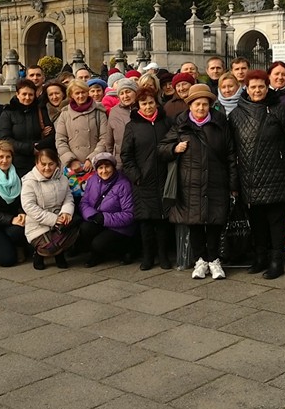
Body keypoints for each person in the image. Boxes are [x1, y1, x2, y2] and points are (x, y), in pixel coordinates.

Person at [159, 84, 238, 280]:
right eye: (197, 104)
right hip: (190, 183)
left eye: (205, 104)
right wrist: (174, 149)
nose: (201, 108)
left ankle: (214, 260)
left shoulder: (220, 123)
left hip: (216, 181)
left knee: (215, 222)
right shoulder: (180, 124)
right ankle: (200, 260)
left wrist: (233, 185)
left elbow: (230, 154)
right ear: (190, 106)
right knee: (194, 223)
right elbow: (162, 148)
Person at [229, 70, 285, 280]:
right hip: (249, 177)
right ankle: (260, 257)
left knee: (276, 222)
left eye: (261, 86)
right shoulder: (236, 114)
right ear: (246, 88)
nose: (257, 90)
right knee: (256, 221)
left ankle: (277, 260)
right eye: (253, 87)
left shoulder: (279, 110)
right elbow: (231, 149)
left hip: (277, 176)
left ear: (267, 87)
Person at [121, 88, 173, 270]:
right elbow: (126, 155)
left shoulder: (166, 122)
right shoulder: (132, 126)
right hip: (143, 180)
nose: (148, 106)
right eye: (144, 103)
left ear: (156, 103)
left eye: (151, 102)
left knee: (163, 220)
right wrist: (136, 176)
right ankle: (148, 257)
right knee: (146, 221)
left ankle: (163, 256)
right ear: (138, 106)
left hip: (164, 178)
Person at [79, 152, 136, 267]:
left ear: (113, 167)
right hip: (99, 219)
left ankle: (127, 249)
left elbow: (129, 214)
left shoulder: (123, 184)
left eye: (107, 167)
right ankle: (96, 254)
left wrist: (104, 218)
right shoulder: (92, 180)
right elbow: (84, 202)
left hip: (120, 227)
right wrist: (93, 215)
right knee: (85, 228)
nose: (104, 171)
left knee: (98, 244)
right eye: (100, 168)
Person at [22, 148, 75, 270]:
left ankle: (59, 253)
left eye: (51, 164)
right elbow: (29, 206)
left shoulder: (63, 178)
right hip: (38, 224)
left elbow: (68, 198)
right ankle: (39, 254)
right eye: (43, 164)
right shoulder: (29, 181)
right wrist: (54, 219)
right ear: (36, 163)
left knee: (76, 228)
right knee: (49, 247)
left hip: (60, 221)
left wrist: (66, 212)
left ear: (57, 163)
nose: (47, 168)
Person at [55, 80, 112, 174]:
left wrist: (92, 158)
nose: (81, 96)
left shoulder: (98, 111)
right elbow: (60, 140)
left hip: (96, 165)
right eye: (77, 93)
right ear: (71, 95)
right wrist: (71, 161)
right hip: (73, 167)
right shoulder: (65, 113)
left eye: (83, 92)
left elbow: (104, 138)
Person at [0, 79, 54, 176]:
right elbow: (5, 139)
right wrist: (29, 148)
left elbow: (51, 134)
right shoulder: (8, 112)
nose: (27, 98)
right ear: (17, 94)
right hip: (18, 162)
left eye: (30, 94)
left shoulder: (41, 110)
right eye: (24, 94)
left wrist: (38, 146)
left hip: (40, 160)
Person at [107, 79, 138, 168]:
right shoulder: (114, 112)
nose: (125, 96)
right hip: (120, 162)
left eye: (128, 92)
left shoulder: (143, 108)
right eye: (121, 93)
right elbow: (109, 141)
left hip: (140, 159)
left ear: (135, 92)